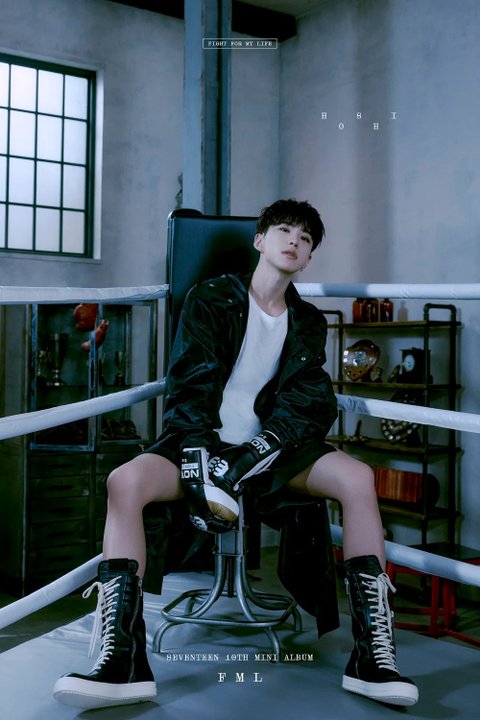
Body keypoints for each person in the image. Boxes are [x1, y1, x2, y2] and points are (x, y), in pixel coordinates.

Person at [53, 199, 419, 709]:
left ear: (309, 258)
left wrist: (254, 452)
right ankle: (120, 660)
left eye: (306, 239)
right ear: (260, 240)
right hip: (199, 444)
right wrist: (204, 460)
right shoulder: (211, 299)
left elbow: (309, 403)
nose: (294, 241)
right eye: (285, 230)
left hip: (273, 453)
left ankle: (373, 658)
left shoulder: (308, 321)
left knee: (357, 478)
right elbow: (189, 384)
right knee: (125, 482)